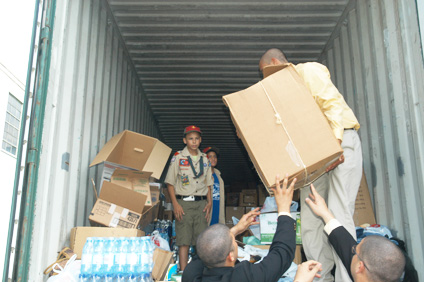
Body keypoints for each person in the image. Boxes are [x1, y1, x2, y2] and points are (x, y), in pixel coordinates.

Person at [259, 48, 363, 281]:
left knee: (337, 212)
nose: (265, 79)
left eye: (264, 73)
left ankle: (347, 278)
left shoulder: (308, 71)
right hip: (313, 154)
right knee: (310, 220)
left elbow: (332, 105)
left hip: (339, 141)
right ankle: (321, 277)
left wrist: (336, 145)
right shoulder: (282, 94)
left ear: (275, 63)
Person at [183, 175, 322, 282]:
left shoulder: (190, 275)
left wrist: (235, 230)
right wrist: (284, 209)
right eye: (234, 242)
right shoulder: (243, 277)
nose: (236, 242)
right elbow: (282, 254)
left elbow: (206, 250)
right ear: (230, 256)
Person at [305, 183, 406, 282]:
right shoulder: (369, 272)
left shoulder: (362, 269)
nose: (351, 249)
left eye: (354, 250)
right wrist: (325, 213)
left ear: (360, 267)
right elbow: (344, 243)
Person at [165, 125, 213, 271]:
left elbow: (208, 183)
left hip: (201, 204)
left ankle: (200, 271)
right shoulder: (178, 158)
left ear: (200, 140)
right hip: (183, 203)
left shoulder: (205, 159)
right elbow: (170, 183)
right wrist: (175, 204)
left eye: (197, 138)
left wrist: (209, 202)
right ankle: (184, 271)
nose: (194, 141)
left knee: (202, 239)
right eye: (191, 138)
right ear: (184, 140)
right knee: (183, 239)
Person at [203, 146, 225, 225]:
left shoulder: (218, 174)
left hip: (217, 207)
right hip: (208, 209)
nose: (213, 159)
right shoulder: (202, 174)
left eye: (215, 157)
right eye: (210, 157)